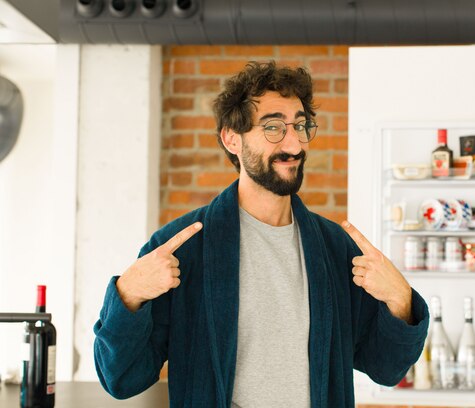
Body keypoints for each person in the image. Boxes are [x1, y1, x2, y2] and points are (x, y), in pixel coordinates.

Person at [93, 61, 429, 408]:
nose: (295, 144)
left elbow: (385, 368)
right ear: (231, 138)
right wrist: (128, 295)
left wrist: (400, 302)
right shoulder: (183, 248)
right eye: (273, 128)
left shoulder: (335, 248)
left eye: (300, 126)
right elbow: (121, 378)